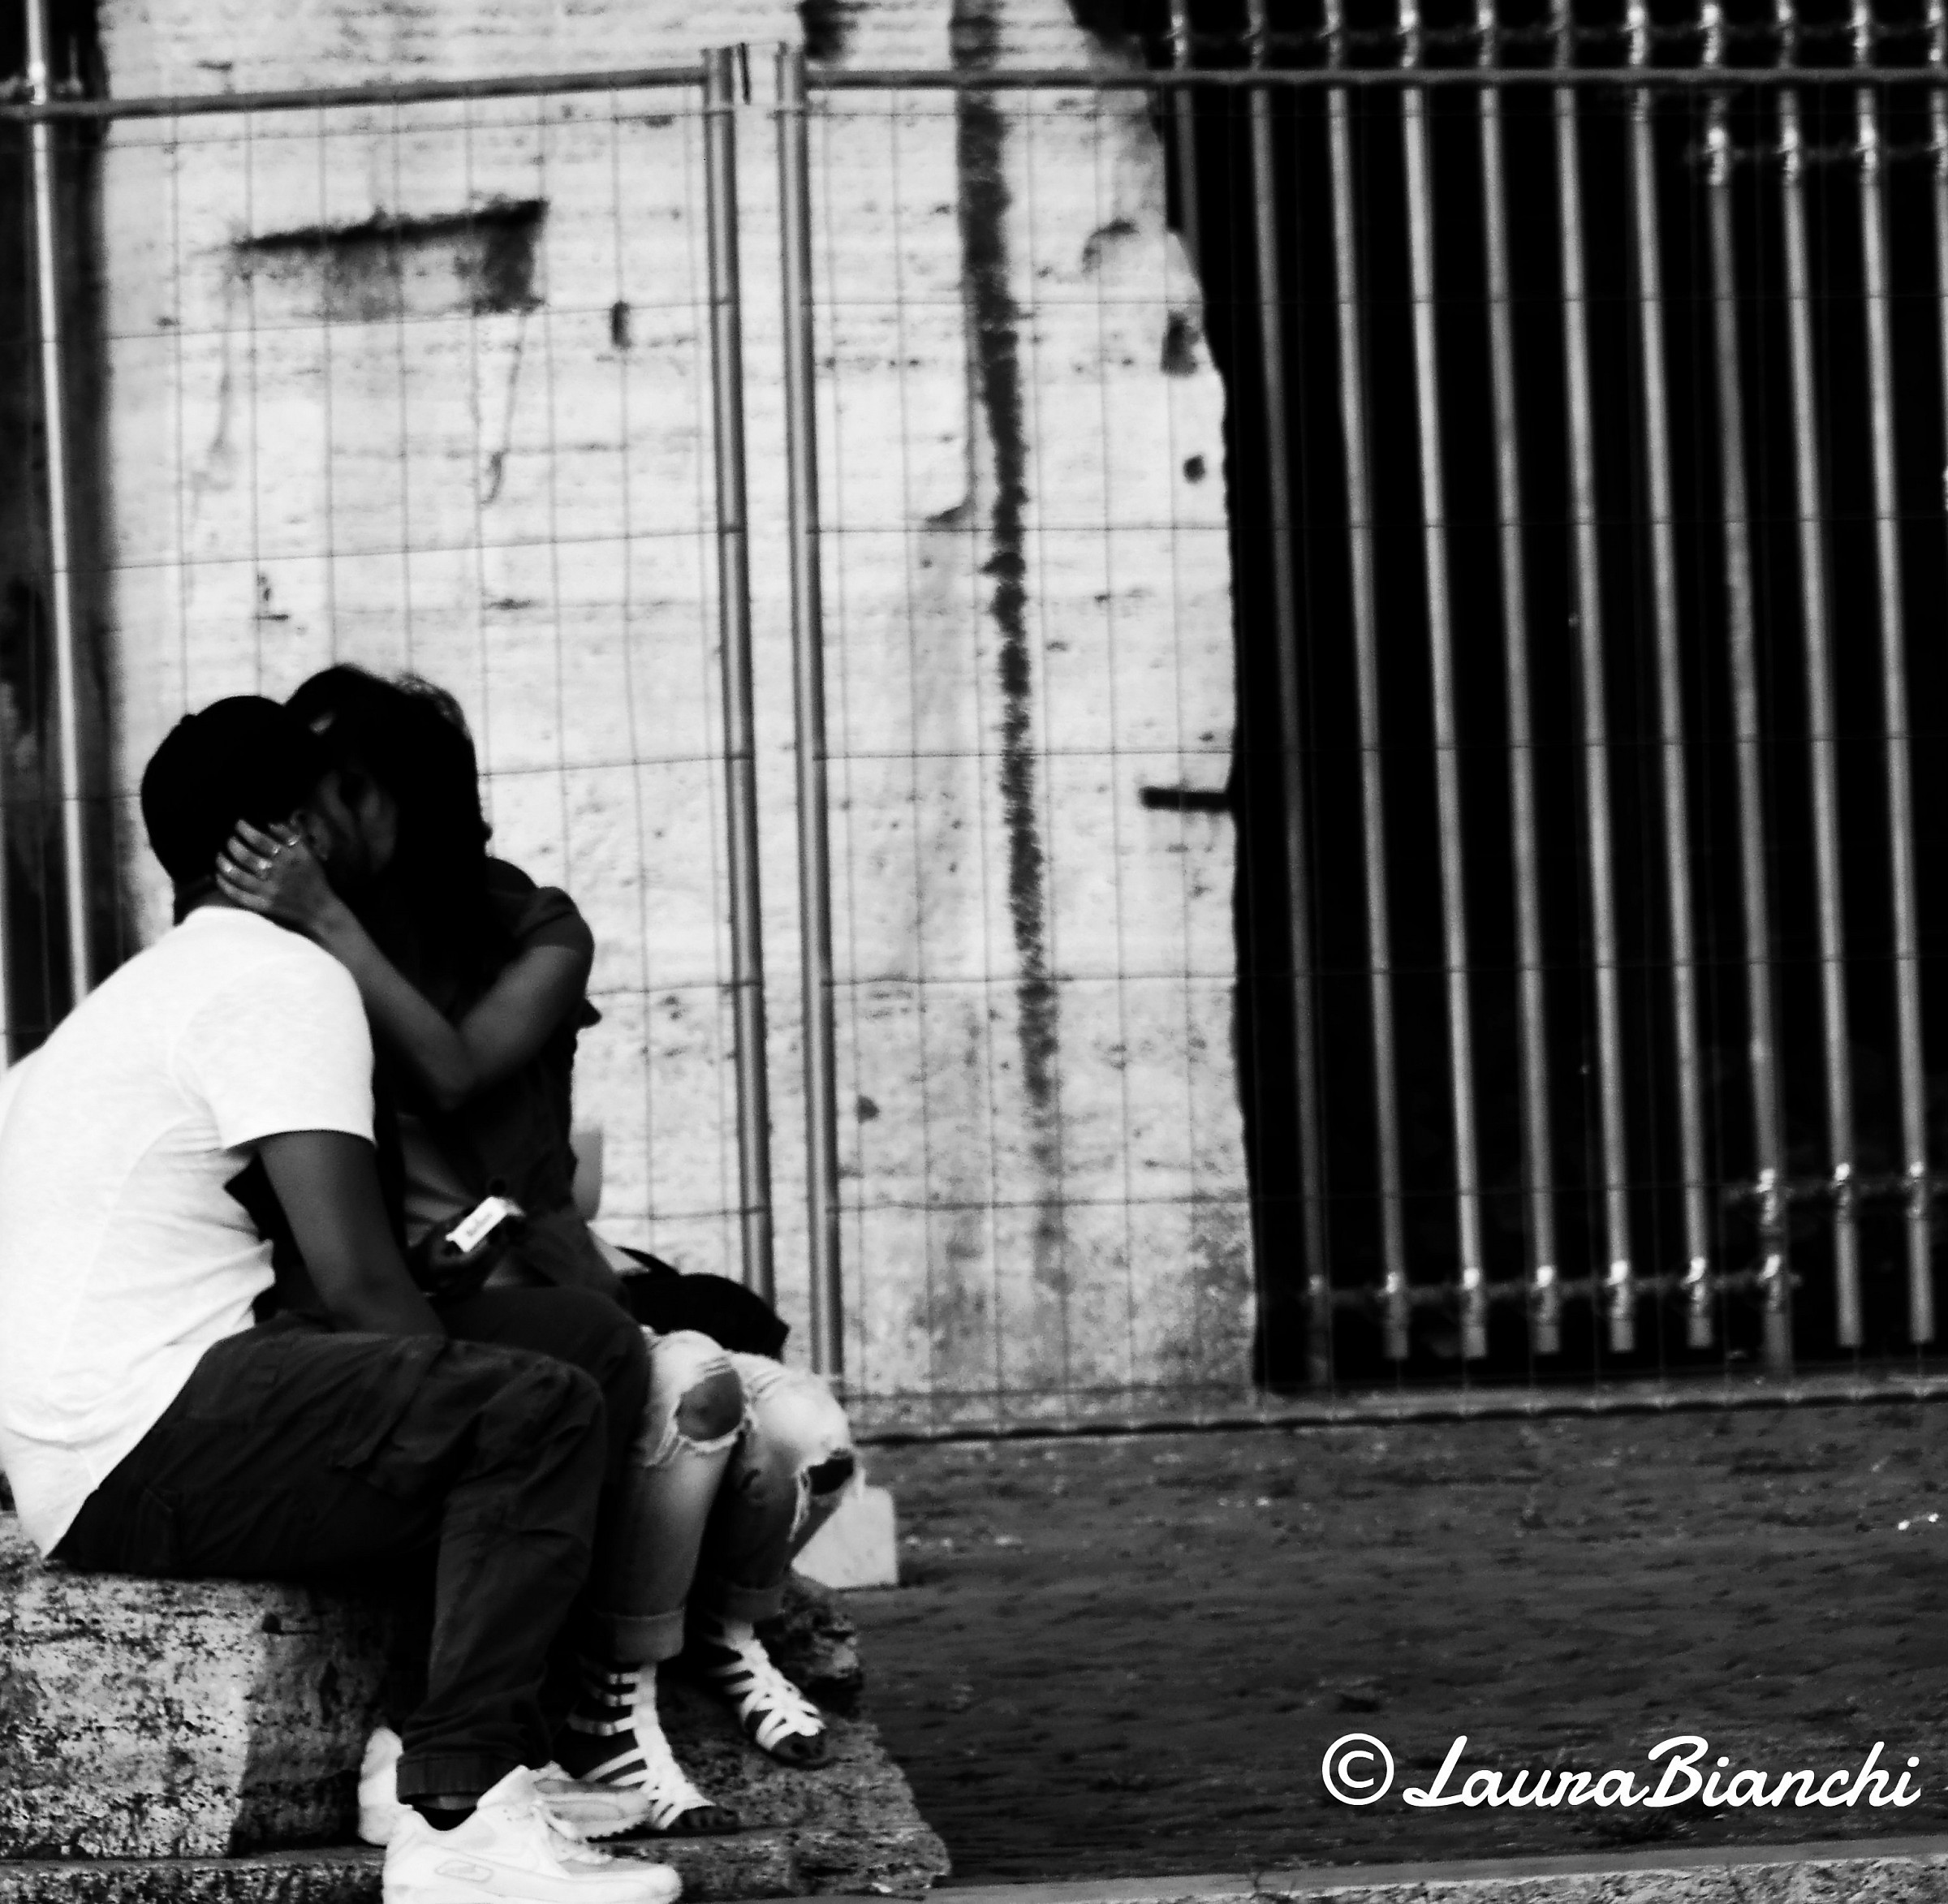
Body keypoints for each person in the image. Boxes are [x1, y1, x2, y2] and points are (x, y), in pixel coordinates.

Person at [0, 698, 679, 1904]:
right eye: (350, 793)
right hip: (136, 1438)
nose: (380, 815)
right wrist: (464, 1404)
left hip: (132, 1410)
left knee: (581, 1341)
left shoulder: (166, 981)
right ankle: (457, 1818)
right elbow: (364, 1280)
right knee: (531, 1410)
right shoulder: (278, 980)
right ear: (301, 828)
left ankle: (424, 1748)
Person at [216, 666, 859, 1838]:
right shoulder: (277, 947)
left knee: (809, 1435)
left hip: (563, 1292)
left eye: (327, 794)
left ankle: (699, 1641)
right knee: (689, 1403)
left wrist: (327, 921)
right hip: (412, 1322)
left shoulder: (535, 926)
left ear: (392, 797)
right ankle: (614, 1696)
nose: (298, 829)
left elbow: (456, 1069)